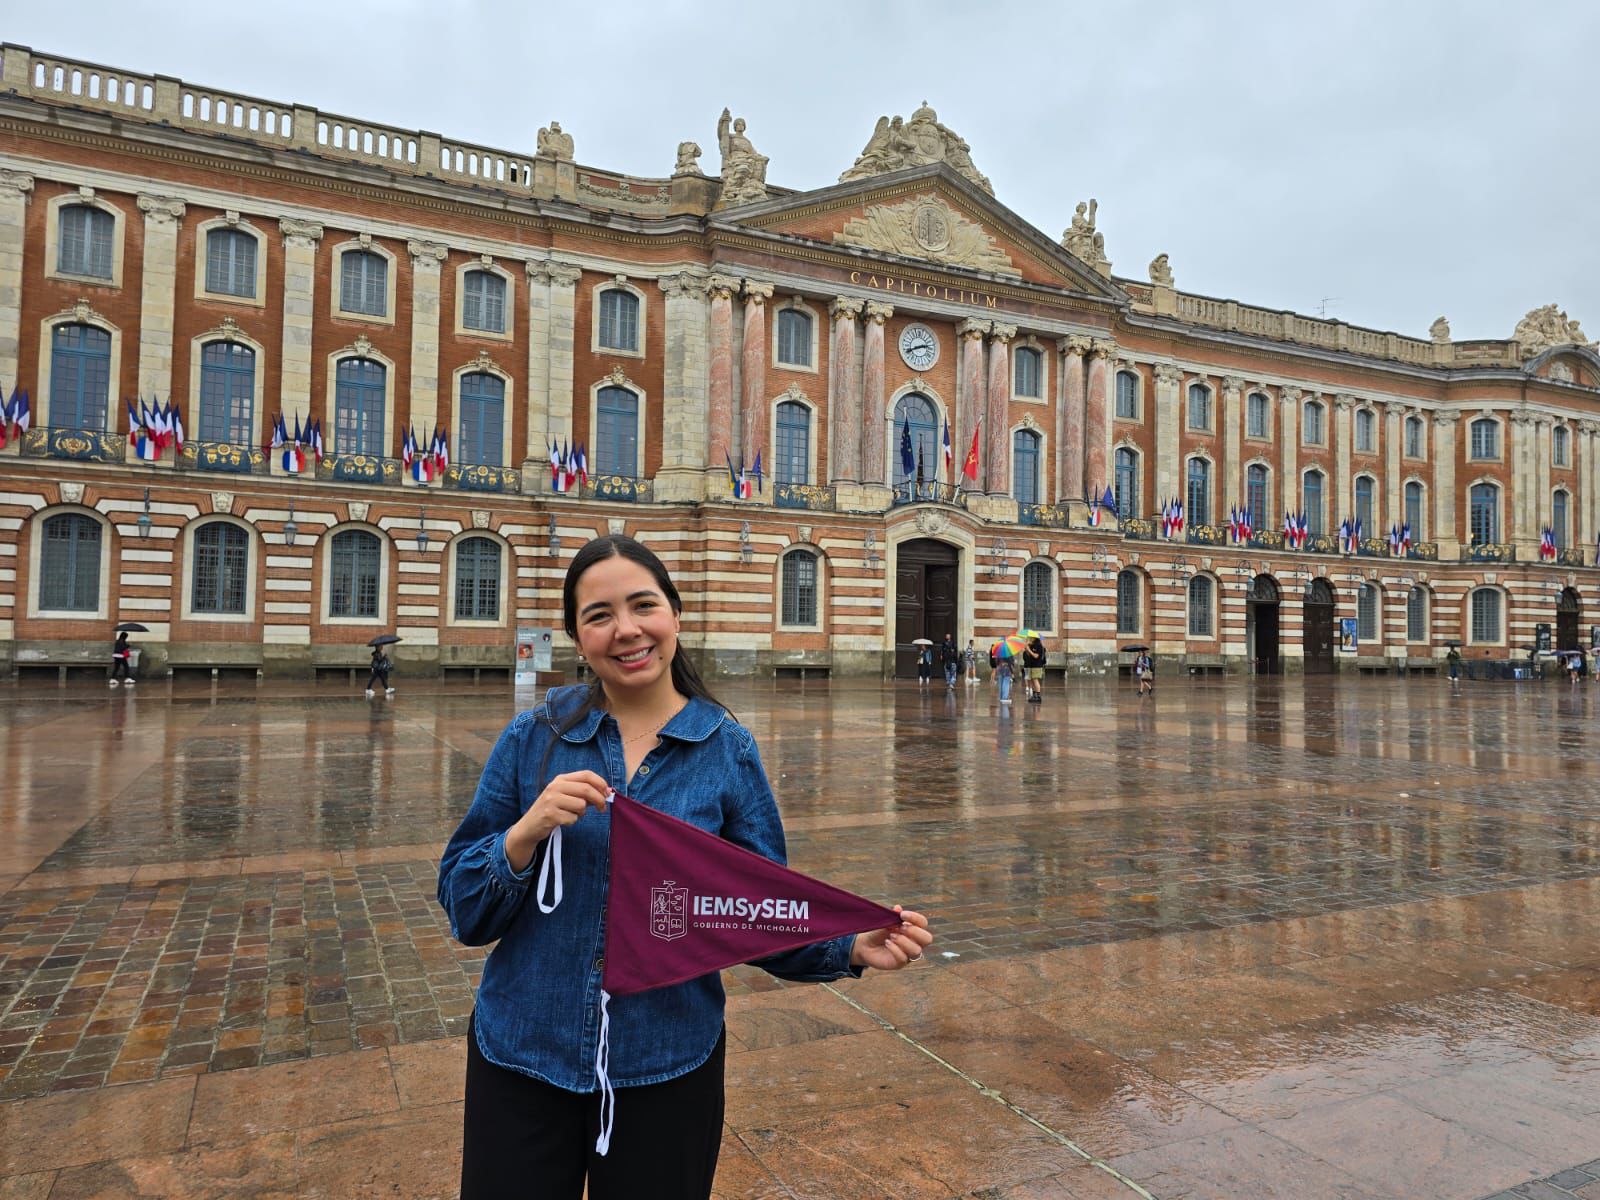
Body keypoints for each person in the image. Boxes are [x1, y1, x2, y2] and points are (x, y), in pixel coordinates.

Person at [437, 535, 931, 1200]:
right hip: (523, 1054)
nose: (627, 630)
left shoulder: (726, 752)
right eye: (600, 615)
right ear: (578, 638)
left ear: (675, 614)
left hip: (667, 1064)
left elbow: (754, 910)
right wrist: (525, 835)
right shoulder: (534, 739)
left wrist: (848, 945)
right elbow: (466, 908)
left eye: (644, 605)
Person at [1022, 637, 1046, 703]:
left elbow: (1036, 656)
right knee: (1032, 680)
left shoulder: (1039, 646)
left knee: (1035, 680)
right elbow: (1029, 655)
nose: (1030, 639)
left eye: (1031, 638)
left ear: (1035, 638)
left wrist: (1029, 650)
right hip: (1031, 665)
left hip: (1037, 666)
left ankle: (1038, 696)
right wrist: (1026, 649)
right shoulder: (1032, 645)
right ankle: (1034, 695)